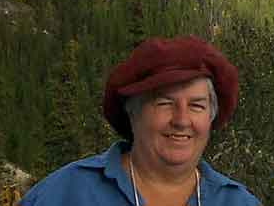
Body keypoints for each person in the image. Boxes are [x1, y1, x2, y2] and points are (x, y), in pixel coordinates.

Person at [19, 36, 260, 205]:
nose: (182, 119)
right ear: (133, 112)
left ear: (211, 117)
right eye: (165, 103)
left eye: (197, 106)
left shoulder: (237, 202)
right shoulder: (67, 193)